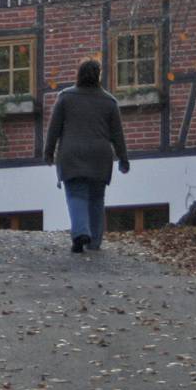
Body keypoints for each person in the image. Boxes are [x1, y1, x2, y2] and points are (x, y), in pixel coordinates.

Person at [43, 58, 130, 253]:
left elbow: (54, 128)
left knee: (76, 194)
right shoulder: (109, 101)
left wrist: (48, 153)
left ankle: (81, 232)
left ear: (78, 74)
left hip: (71, 154)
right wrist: (123, 158)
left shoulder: (65, 97)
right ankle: (95, 241)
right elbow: (117, 134)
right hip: (100, 156)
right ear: (98, 76)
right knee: (97, 198)